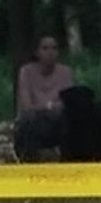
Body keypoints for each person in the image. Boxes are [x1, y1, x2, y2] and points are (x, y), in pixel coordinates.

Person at [14, 33, 74, 161]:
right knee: (29, 119)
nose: (50, 52)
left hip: (56, 122)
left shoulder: (65, 72)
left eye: (54, 48)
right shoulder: (26, 72)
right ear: (37, 52)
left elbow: (67, 103)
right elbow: (27, 106)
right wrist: (49, 106)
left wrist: (47, 108)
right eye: (45, 48)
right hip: (32, 123)